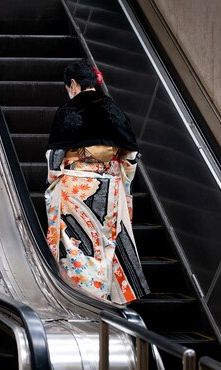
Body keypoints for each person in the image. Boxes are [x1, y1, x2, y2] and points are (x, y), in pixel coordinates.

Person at [44, 59, 150, 304]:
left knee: (76, 246)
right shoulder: (113, 109)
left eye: (67, 87)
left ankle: (80, 297)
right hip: (109, 186)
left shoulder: (68, 111)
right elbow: (131, 156)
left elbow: (55, 156)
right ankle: (105, 296)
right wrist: (122, 184)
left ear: (73, 84)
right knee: (105, 245)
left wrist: (53, 183)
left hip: (75, 188)